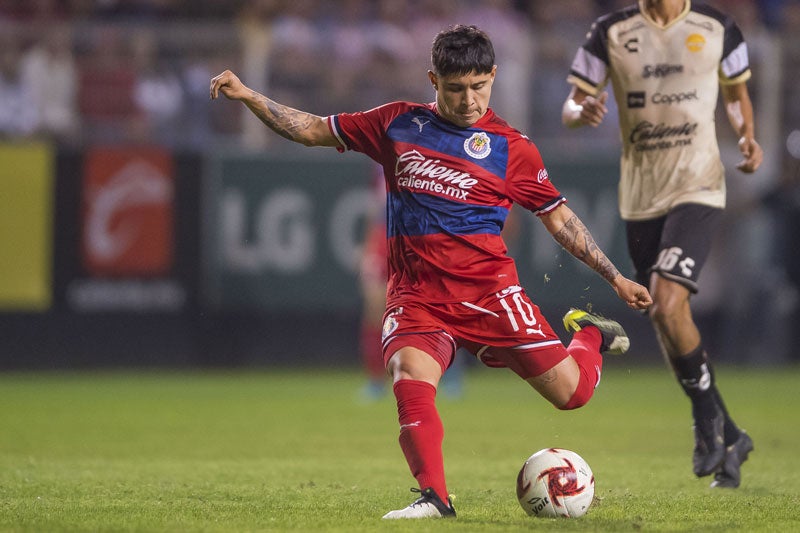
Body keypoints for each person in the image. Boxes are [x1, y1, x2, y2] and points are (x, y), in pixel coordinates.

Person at [211, 24, 652, 519]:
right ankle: (435, 499)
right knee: (408, 374)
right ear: (433, 80)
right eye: (456, 88)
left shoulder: (513, 148)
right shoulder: (397, 124)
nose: (469, 100)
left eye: (479, 86)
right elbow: (312, 128)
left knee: (573, 396)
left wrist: (614, 278)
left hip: (491, 294)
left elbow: (560, 220)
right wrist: (248, 94)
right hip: (417, 295)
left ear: (493, 77)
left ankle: (588, 334)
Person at [562, 0, 763, 489]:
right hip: (640, 198)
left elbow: (736, 92)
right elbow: (570, 105)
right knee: (662, 313)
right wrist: (580, 111)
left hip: (698, 186)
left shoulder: (717, 28)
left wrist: (746, 135)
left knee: (670, 303)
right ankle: (732, 435)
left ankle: (705, 423)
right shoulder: (610, 31)